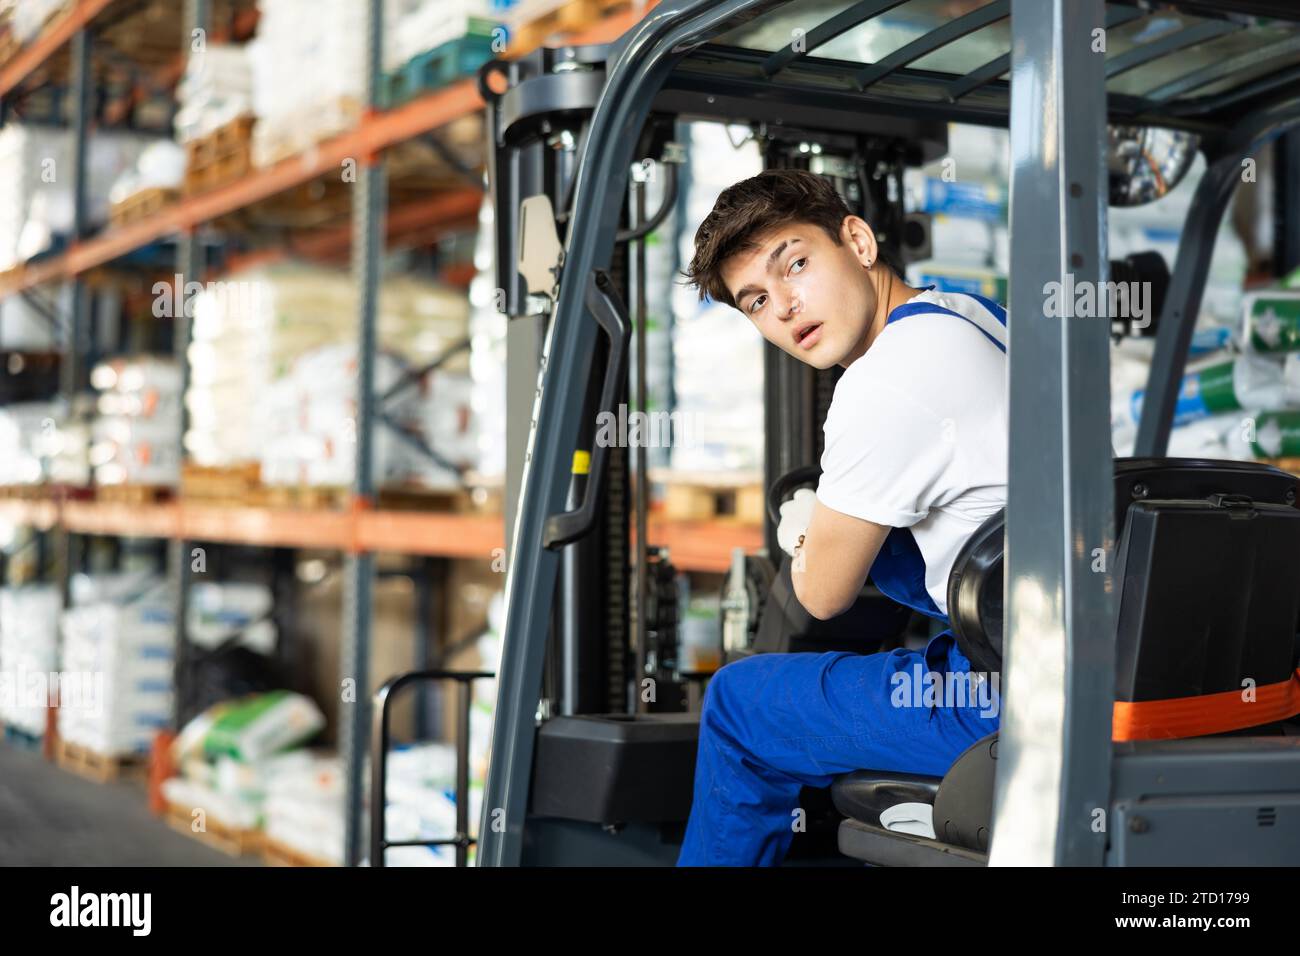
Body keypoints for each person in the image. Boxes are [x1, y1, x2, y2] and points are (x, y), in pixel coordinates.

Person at [676, 168, 1007, 866]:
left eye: (796, 263)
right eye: (758, 300)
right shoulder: (973, 316)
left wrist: (803, 526)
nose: (787, 307)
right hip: (1058, 661)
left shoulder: (884, 378)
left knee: (740, 704)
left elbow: (820, 595)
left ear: (857, 239)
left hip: (1004, 702)